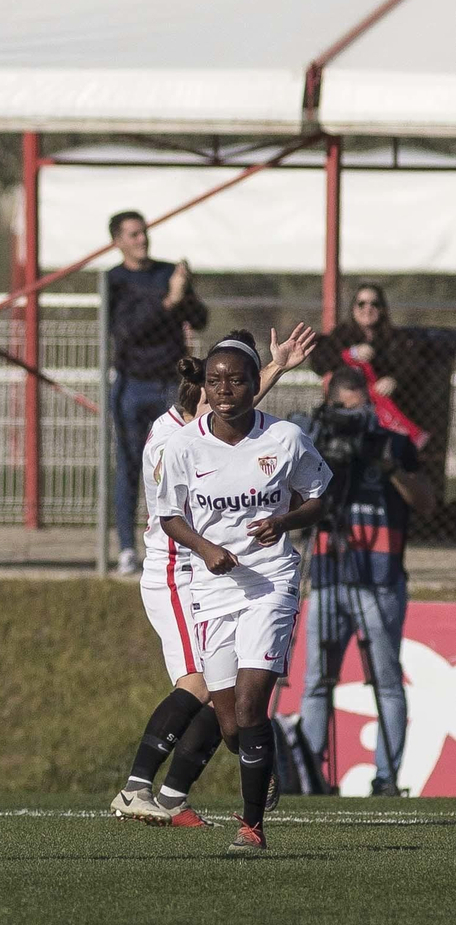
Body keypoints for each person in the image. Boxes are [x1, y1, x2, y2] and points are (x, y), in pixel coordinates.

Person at [112, 325, 317, 827]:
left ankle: (173, 794)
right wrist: (274, 368)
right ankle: (136, 787)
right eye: (215, 388)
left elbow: (239, 420)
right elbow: (222, 428)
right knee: (196, 685)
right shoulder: (173, 439)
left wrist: (276, 366)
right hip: (176, 568)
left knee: (222, 695)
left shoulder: (205, 426)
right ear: (199, 396)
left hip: (215, 571)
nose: (227, 401)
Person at [156, 330, 332, 854]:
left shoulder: (286, 438)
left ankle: (251, 827)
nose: (225, 389)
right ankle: (262, 765)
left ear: (256, 384)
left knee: (253, 704)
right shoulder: (184, 445)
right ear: (204, 387)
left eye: (236, 380)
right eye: (215, 381)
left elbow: (318, 497)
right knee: (231, 724)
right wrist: (205, 548)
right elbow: (169, 516)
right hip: (214, 588)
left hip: (271, 581)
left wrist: (284, 521)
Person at [297, 365, 436, 796]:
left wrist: (389, 466)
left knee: (386, 682)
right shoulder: (315, 445)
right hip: (328, 575)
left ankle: (387, 779)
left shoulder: (393, 443)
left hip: (380, 580)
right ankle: (309, 778)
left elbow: (427, 503)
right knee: (317, 682)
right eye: (343, 411)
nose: (351, 421)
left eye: (358, 411)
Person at [107, 210, 209, 576]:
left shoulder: (167, 273)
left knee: (180, 464)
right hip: (132, 382)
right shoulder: (114, 281)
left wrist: (184, 292)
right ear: (118, 241)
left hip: (171, 383)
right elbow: (128, 330)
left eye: (144, 232)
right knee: (130, 464)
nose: (142, 240)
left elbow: (199, 319)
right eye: (133, 234)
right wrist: (168, 301)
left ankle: (185, 543)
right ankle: (126, 547)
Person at [310, 283, 450, 515]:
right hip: (347, 420)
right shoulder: (341, 337)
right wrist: (350, 354)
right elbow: (319, 361)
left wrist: (395, 379)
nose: (368, 309)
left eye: (374, 303)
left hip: (386, 423)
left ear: (383, 308)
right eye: (361, 303)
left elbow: (414, 363)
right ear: (353, 308)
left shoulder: (395, 340)